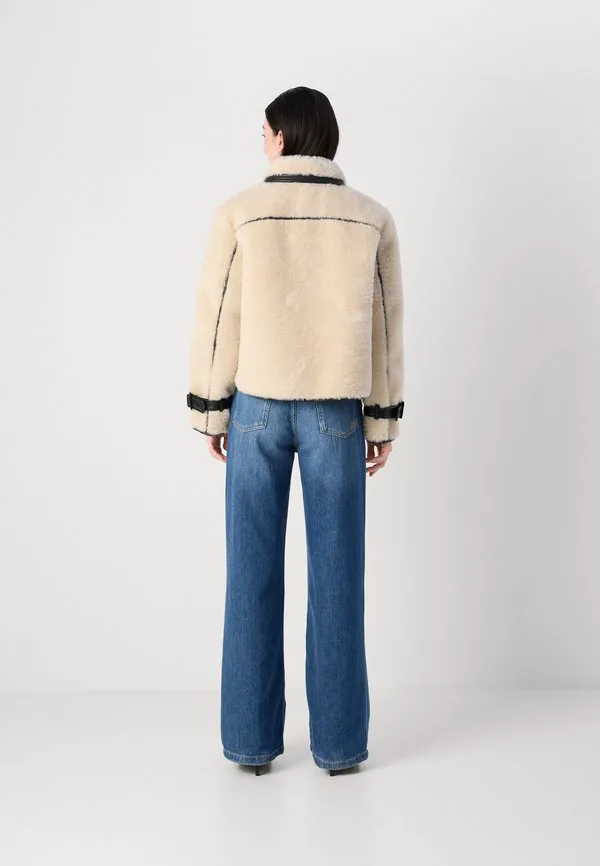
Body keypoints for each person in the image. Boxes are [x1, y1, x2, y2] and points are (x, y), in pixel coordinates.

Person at [186, 86, 405, 776]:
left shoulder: (241, 213)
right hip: (336, 413)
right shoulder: (369, 217)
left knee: (249, 575)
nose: (262, 142)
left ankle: (250, 745)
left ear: (282, 136)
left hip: (256, 406)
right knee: (338, 577)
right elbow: (385, 325)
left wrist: (211, 409)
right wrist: (381, 418)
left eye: (263, 131)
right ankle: (339, 748)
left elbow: (218, 316)